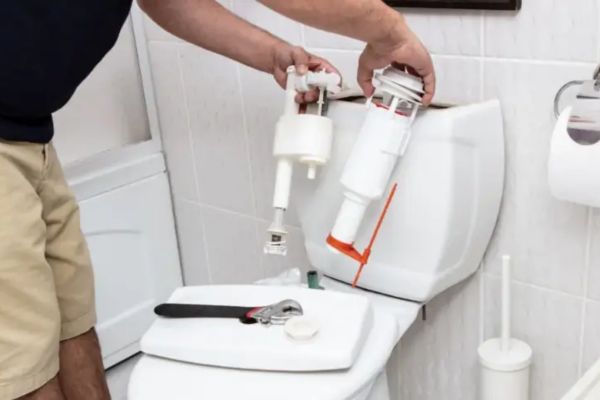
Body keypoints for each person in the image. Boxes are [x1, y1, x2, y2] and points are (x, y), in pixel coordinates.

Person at [0, 1, 435, 399]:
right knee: (23, 369)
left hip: (28, 133)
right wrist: (391, 33)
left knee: (73, 323)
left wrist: (272, 54)